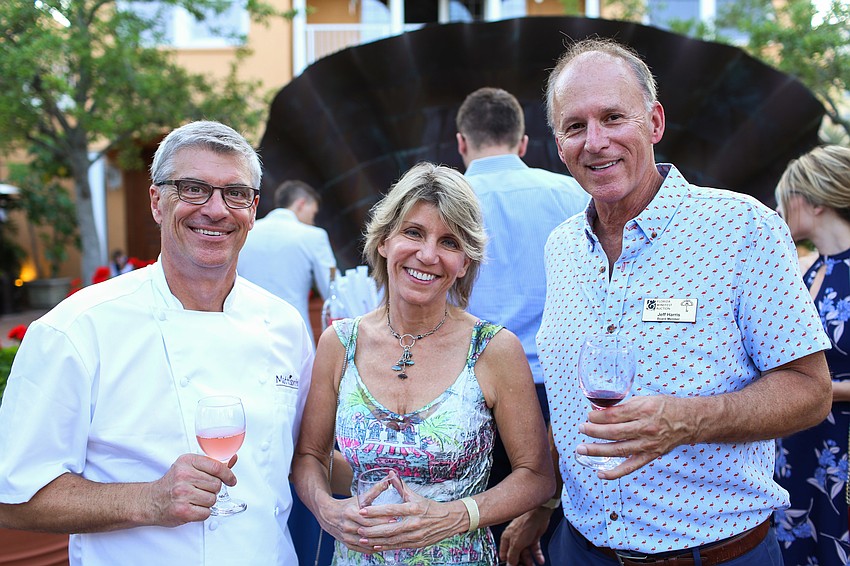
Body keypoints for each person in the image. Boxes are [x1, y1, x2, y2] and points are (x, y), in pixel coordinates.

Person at [500, 38, 833, 566]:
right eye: (575, 126)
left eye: (613, 117)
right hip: (579, 549)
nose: (596, 142)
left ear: (654, 123)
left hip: (715, 555)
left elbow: (811, 392)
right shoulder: (561, 246)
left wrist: (688, 420)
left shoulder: (742, 228)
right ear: (558, 144)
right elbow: (568, 400)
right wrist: (545, 498)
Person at [0, 120, 314, 565]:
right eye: (193, 188)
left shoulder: (284, 324)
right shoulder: (77, 328)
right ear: (156, 202)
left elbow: (305, 454)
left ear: (253, 209)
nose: (216, 209)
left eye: (235, 193)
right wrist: (149, 501)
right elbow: (12, 498)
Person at [292, 161, 555, 565]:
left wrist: (452, 517)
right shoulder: (340, 343)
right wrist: (328, 511)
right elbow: (310, 455)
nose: (428, 254)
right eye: (413, 233)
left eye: (450, 242)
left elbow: (536, 477)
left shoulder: (493, 349)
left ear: (465, 262)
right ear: (384, 241)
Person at [455, 85, 588, 559]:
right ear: (525, 143)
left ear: (462, 143)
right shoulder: (571, 192)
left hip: (467, 393)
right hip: (559, 393)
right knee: (557, 536)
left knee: (469, 532)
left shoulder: (445, 200)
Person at [773, 144, 850, 566]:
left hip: (843, 447)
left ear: (813, 200)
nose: (780, 208)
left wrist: (816, 390)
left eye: (787, 198)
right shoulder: (806, 268)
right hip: (795, 442)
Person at [238, 179, 337, 341]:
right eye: (313, 213)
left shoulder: (247, 232)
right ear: (301, 204)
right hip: (293, 332)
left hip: (246, 329)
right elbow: (332, 290)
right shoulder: (313, 235)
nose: (312, 221)